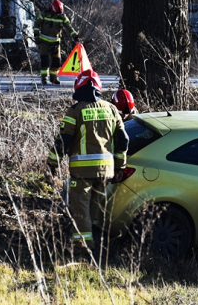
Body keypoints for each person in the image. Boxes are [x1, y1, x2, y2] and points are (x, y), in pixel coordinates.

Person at [46, 69, 129, 259]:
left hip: (82, 172)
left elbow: (63, 141)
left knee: (80, 209)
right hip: (105, 172)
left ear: (79, 87)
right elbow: (123, 140)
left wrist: (52, 163)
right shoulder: (111, 109)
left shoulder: (75, 111)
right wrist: (120, 166)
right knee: (93, 209)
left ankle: (84, 250)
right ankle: (93, 247)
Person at [34, 0, 78, 85]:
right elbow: (36, 25)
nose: (58, 15)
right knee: (45, 61)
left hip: (56, 43)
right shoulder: (44, 14)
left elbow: (69, 28)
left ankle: (53, 78)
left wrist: (76, 36)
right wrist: (37, 38)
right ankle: (44, 78)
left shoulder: (62, 17)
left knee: (56, 62)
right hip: (44, 43)